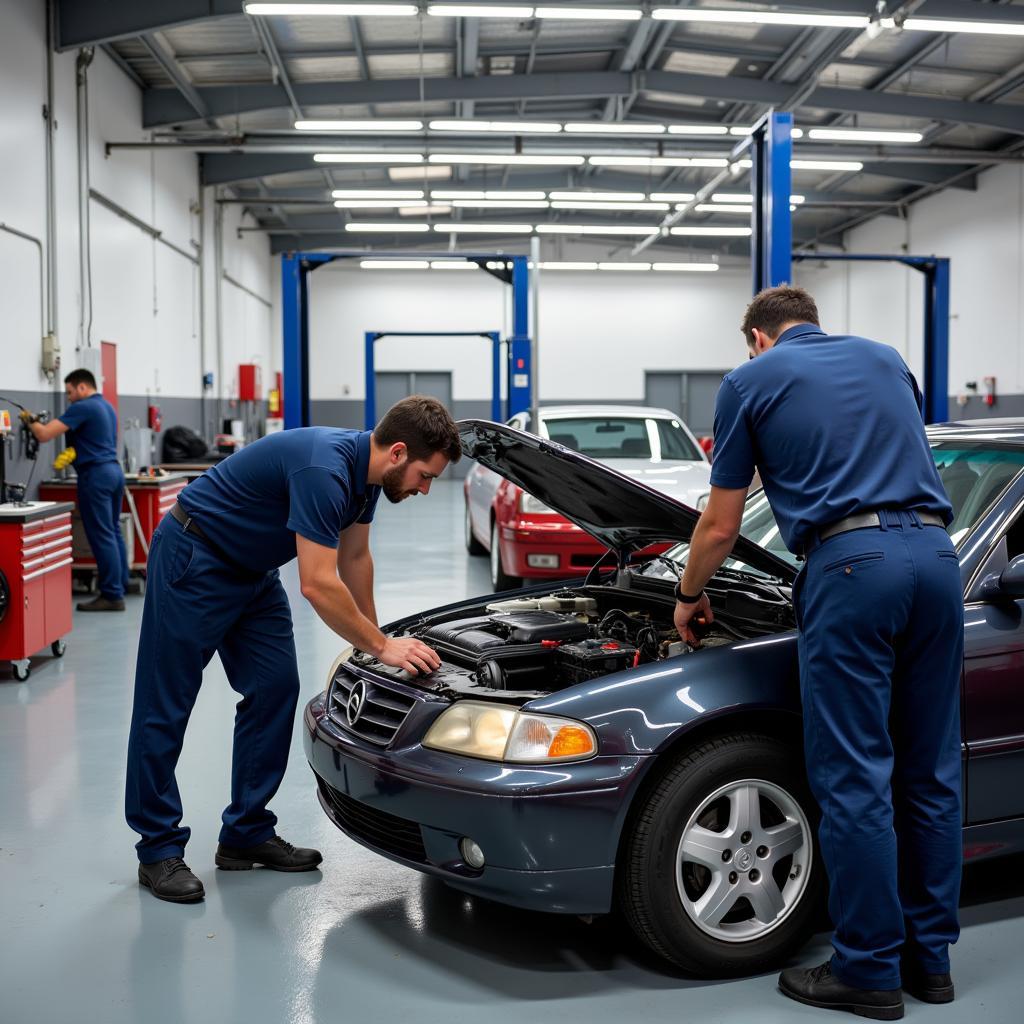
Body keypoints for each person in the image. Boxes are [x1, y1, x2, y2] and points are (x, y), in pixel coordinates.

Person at [673, 287, 962, 1020]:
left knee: (856, 775)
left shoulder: (750, 381)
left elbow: (719, 523)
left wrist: (688, 594)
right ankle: (930, 964)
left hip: (853, 568)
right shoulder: (887, 359)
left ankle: (867, 969)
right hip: (935, 557)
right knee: (930, 770)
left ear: (758, 338)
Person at [125, 396, 459, 904]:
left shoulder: (365, 479)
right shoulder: (323, 469)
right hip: (196, 558)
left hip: (253, 574)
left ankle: (246, 832)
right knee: (165, 704)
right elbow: (319, 585)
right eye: (425, 475)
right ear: (397, 453)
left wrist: (374, 638)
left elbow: (354, 557)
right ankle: (158, 849)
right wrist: (381, 647)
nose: (426, 488)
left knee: (275, 688)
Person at [25, 368, 131, 611]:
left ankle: (112, 595)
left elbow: (43, 434)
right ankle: (120, 584)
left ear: (82, 387)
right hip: (114, 472)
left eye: (71, 392)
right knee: (113, 531)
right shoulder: (107, 406)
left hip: (96, 476)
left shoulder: (83, 407)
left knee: (102, 534)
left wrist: (30, 419)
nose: (69, 397)